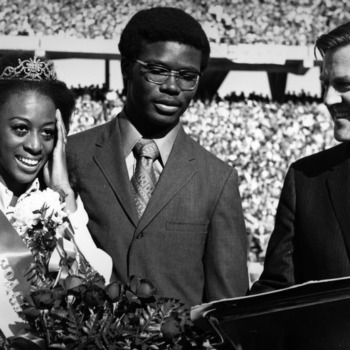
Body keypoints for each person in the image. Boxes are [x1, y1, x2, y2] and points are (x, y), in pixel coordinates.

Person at [67, 7, 248, 306]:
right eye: (158, 70)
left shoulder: (217, 179)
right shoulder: (72, 155)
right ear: (126, 67)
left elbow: (228, 307)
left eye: (188, 76)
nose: (173, 86)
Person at [0, 53, 112, 338]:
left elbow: (99, 287)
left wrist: (64, 192)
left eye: (48, 133)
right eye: (21, 129)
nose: (36, 145)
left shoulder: (58, 206)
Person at [250, 21, 350, 294]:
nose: (328, 99)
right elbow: (276, 293)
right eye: (326, 84)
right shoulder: (306, 179)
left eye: (344, 85)